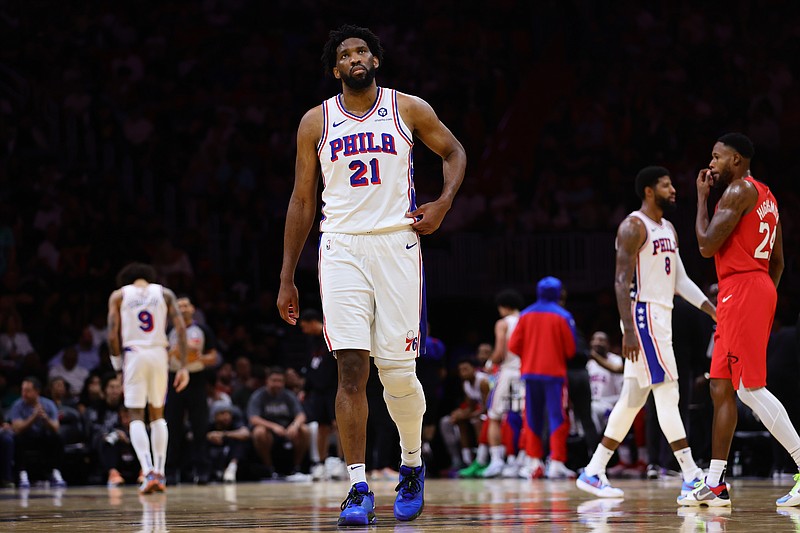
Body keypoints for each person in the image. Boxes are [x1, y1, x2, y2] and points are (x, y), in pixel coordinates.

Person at [276, 24, 466, 526]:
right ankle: (358, 485)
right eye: (346, 53)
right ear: (335, 68)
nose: (356, 57)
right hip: (340, 248)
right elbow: (300, 200)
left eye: (363, 51)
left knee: (398, 373)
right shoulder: (315, 122)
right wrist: (286, 276)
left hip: (396, 245)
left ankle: (410, 464)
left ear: (375, 61)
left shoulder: (408, 108)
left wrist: (443, 204)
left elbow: (454, 152)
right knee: (351, 370)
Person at [577, 166, 715, 499]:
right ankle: (693, 476)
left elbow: (680, 281)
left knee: (631, 400)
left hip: (662, 314)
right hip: (644, 315)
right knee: (668, 392)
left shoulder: (668, 228)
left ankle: (594, 471)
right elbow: (621, 281)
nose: (673, 190)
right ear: (649, 191)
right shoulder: (633, 226)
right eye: (667, 185)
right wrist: (627, 329)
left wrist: (715, 311)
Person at [682, 133, 800, 507]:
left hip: (742, 287)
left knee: (749, 387)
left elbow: (704, 245)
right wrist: (764, 293)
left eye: (717, 157)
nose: (711, 163)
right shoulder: (768, 196)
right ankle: (715, 483)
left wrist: (700, 199)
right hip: (754, 285)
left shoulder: (735, 193)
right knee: (720, 385)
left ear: (736, 159)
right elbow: (778, 261)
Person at [107, 262, 189, 494]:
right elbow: (180, 329)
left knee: (135, 415)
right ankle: (161, 474)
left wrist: (117, 366)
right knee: (157, 414)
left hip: (134, 354)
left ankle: (148, 470)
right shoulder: (164, 293)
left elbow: (112, 333)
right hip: (158, 354)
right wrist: (182, 366)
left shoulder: (119, 296)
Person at [510, 276, 578, 480]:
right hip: (554, 375)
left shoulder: (525, 315)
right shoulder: (564, 316)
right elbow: (570, 350)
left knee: (531, 418)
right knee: (557, 417)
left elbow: (513, 346)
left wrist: (531, 355)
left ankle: (534, 463)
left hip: (530, 373)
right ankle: (556, 463)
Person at [165, 295, 218, 485]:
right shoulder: (169, 330)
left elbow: (213, 357)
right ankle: (170, 472)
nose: (183, 308)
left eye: (186, 305)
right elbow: (163, 355)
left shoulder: (202, 330)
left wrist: (197, 357)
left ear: (193, 308)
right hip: (174, 380)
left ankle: (202, 471)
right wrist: (174, 353)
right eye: (179, 306)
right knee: (172, 427)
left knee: (199, 428)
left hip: (196, 380)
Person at [298, 309, 346, 481]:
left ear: (313, 322)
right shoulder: (310, 341)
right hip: (318, 391)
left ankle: (342, 463)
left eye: (305, 326)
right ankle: (320, 464)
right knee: (322, 427)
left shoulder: (331, 335)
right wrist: (306, 388)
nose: (303, 330)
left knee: (338, 425)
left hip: (334, 388)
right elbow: (310, 366)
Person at [482, 289, 524, 478]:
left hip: (508, 372)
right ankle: (523, 459)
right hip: (525, 373)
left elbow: (499, 352)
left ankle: (497, 461)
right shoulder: (526, 319)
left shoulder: (503, 323)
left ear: (503, 306)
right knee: (525, 418)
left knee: (495, 416)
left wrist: (490, 363)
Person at [246, 366, 310, 478]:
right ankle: (269, 468)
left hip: (287, 431)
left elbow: (301, 415)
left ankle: (296, 468)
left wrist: (294, 425)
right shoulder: (258, 395)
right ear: (267, 381)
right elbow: (253, 418)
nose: (277, 384)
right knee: (259, 432)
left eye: (280, 381)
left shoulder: (288, 395)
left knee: (304, 429)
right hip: (269, 432)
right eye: (274, 381)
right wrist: (273, 426)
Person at [9, 376, 66, 487]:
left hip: (43, 437)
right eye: (23, 390)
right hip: (26, 437)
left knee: (58, 437)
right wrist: (34, 417)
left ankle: (55, 472)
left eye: (27, 391)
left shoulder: (48, 404)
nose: (24, 394)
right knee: (16, 438)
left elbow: (56, 427)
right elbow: (16, 428)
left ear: (37, 391)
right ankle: (22, 473)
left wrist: (45, 419)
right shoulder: (17, 405)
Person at [207, 401, 250, 483]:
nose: (226, 417)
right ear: (214, 416)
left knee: (240, 441)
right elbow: (190, 436)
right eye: (222, 413)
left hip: (232, 455)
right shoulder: (208, 423)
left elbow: (246, 434)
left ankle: (232, 467)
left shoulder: (235, 422)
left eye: (228, 413)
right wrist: (208, 436)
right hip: (212, 454)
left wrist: (223, 434)